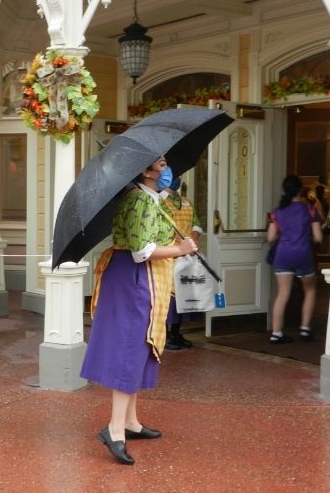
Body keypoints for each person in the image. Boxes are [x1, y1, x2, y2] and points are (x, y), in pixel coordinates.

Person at [80, 157, 198, 465]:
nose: (167, 170)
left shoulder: (151, 199)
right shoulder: (138, 202)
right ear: (145, 171)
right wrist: (179, 250)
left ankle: (131, 422)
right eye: (160, 165)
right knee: (129, 349)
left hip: (141, 278)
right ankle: (114, 429)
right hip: (134, 279)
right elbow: (141, 251)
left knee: (140, 348)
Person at [267, 175, 322, 343]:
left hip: (283, 255)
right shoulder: (310, 209)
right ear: (300, 190)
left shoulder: (277, 212)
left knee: (282, 293)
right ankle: (305, 329)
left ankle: (276, 333)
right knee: (310, 289)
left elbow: (270, 238)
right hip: (303, 254)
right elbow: (318, 237)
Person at [160, 178, 204, 349]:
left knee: (184, 295)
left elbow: (196, 224)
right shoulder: (158, 201)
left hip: (187, 257)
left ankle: (176, 333)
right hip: (168, 257)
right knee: (168, 297)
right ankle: (163, 335)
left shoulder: (186, 202)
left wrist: (192, 240)